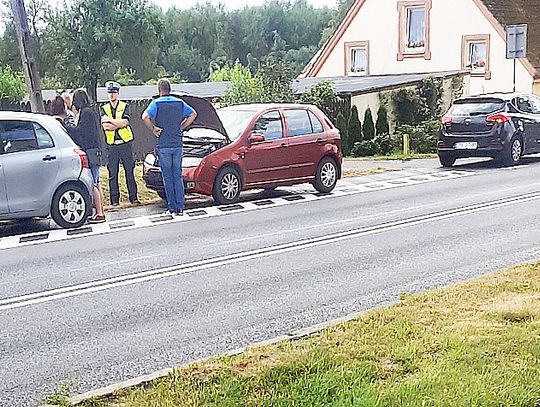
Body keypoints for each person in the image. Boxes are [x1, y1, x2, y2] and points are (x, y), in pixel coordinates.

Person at [142, 78, 197, 215]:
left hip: (164, 145)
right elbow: (193, 114)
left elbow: (145, 117)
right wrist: (182, 126)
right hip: (177, 144)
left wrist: (153, 129)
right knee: (177, 176)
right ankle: (180, 206)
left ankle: (171, 207)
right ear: (169, 89)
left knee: (167, 177)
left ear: (159, 90)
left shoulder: (156, 104)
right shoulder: (179, 103)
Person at [66, 89, 106, 223]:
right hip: (96, 150)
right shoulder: (91, 112)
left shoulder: (85, 113)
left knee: (93, 183)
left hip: (90, 151)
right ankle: (101, 210)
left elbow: (80, 132)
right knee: (97, 181)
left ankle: (99, 213)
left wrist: (67, 128)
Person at [100, 81, 139, 206]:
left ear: (118, 94)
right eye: (110, 93)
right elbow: (106, 127)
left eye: (114, 93)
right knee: (113, 173)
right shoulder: (104, 108)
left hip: (125, 143)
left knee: (129, 171)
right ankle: (114, 201)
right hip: (112, 145)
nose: (112, 95)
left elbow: (125, 123)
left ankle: (133, 198)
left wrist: (111, 121)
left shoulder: (124, 106)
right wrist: (117, 123)